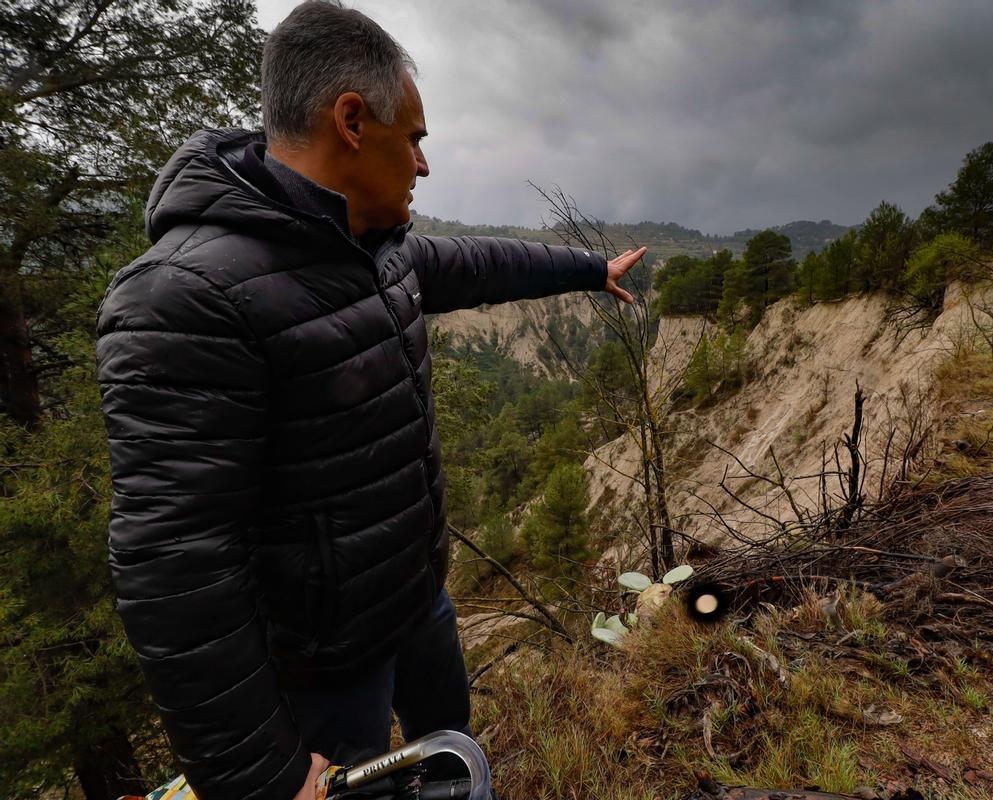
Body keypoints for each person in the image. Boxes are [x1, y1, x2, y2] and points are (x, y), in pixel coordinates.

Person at [95, 2, 642, 799]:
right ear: (351, 120)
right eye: (414, 139)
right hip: (321, 672)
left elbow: (483, 263)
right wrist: (259, 777)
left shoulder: (371, 246)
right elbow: (174, 561)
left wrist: (590, 271)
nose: (422, 166)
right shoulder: (183, 296)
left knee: (450, 768)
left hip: (417, 605)